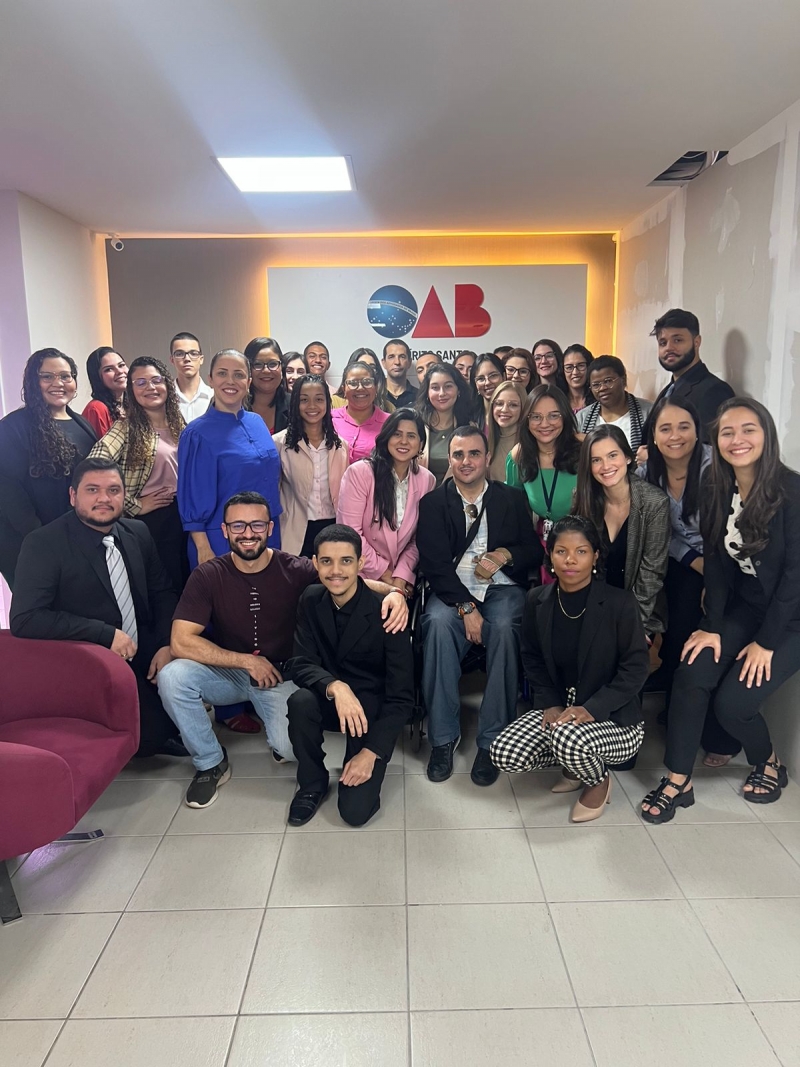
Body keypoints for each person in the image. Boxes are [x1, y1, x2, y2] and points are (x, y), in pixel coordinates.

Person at [157, 494, 408, 808]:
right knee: (173, 676)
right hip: (230, 672)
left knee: (291, 748)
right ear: (224, 530)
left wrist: (394, 593)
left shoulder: (295, 568)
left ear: (270, 528)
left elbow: (343, 578)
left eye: (257, 524)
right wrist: (246, 662)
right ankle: (210, 762)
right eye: (238, 525)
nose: (248, 533)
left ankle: (279, 741)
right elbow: (181, 641)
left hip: (281, 676)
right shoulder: (208, 574)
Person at [641, 399, 800, 822]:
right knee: (692, 671)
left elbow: (794, 578)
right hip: (745, 607)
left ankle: (768, 761)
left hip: (791, 619)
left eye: (748, 429)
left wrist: (766, 642)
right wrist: (711, 625)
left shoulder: (792, 491)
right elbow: (716, 560)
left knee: (733, 705)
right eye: (727, 432)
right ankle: (678, 780)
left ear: (766, 435)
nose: (737, 440)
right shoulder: (717, 486)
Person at [10, 458, 183, 758]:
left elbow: (162, 593)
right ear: (73, 495)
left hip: (142, 649)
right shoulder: (43, 543)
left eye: (113, 490)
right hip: (87, 658)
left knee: (177, 712)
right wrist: (103, 634)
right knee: (150, 738)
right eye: (92, 490)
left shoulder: (138, 532)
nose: (104, 498)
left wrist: (167, 644)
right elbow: (25, 619)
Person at [490, 517, 649, 822]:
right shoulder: (537, 600)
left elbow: (636, 669)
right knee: (504, 752)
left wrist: (592, 708)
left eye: (581, 551)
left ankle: (598, 780)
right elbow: (532, 658)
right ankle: (575, 764)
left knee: (568, 739)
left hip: (615, 719)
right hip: (563, 711)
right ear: (550, 555)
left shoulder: (619, 603)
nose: (570, 560)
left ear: (595, 556)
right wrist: (550, 703)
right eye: (561, 551)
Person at [417, 426, 542, 785]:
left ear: (487, 458)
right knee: (437, 625)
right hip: (453, 590)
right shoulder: (434, 503)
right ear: (450, 459)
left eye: (474, 453)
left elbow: (533, 551)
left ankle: (492, 739)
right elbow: (434, 565)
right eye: (458, 454)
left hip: (502, 589)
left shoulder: (510, 499)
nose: (466, 461)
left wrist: (506, 555)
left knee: (504, 627)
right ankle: (443, 737)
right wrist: (466, 608)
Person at [286, 524, 414, 826]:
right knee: (300, 701)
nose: (336, 571)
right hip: (332, 699)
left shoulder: (387, 611)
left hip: (371, 711)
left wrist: (371, 752)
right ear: (315, 563)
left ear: (360, 563)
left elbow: (402, 698)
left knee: (355, 813)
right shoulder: (310, 599)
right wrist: (336, 686)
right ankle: (312, 782)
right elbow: (300, 663)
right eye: (326, 561)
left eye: (346, 561)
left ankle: (362, 760)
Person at [88, 357, 188, 593]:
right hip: (152, 522)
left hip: (184, 516)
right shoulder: (126, 428)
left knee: (187, 583)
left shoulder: (180, 425)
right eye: (140, 383)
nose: (150, 387)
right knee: (164, 590)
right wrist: (134, 505)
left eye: (156, 380)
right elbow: (93, 468)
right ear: (131, 390)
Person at [0, 349, 96, 589]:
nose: (58, 383)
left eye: (65, 376)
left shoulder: (82, 425)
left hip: (78, 540)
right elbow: (9, 492)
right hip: (30, 544)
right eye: (47, 377)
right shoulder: (13, 427)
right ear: (33, 382)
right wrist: (44, 541)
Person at [177, 349, 282, 568]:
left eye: (239, 374)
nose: (230, 381)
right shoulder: (197, 434)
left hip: (266, 534)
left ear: (249, 381)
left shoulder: (256, 421)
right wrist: (202, 547)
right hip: (221, 539)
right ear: (210, 379)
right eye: (222, 373)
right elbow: (192, 497)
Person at [574, 425, 670, 639]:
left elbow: (652, 573)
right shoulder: (583, 498)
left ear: (627, 457)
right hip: (592, 603)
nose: (605, 466)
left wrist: (634, 625)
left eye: (612, 455)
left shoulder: (655, 503)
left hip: (637, 608)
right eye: (596, 460)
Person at [336, 408, 435, 595]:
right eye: (397, 434)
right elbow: (350, 534)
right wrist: (385, 574)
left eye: (411, 436)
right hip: (360, 574)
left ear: (421, 444)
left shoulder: (426, 480)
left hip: (400, 579)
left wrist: (401, 576)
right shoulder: (360, 473)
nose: (404, 441)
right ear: (386, 437)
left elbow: (418, 538)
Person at [507, 385, 581, 580]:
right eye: (536, 417)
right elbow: (512, 509)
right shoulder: (519, 456)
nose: (545, 424)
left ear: (565, 416)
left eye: (554, 415)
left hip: (582, 544)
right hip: (541, 547)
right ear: (526, 420)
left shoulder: (585, 449)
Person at [273, 374, 349, 558]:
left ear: (328, 402)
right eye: (304, 400)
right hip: (296, 531)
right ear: (295, 404)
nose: (312, 406)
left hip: (334, 528)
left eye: (319, 399)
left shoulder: (341, 446)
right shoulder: (279, 444)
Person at [649, 308, 734, 441]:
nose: (669, 348)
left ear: (696, 342)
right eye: (663, 343)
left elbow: (709, 449)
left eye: (677, 340)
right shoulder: (668, 391)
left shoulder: (714, 391)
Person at [576, 355, 653, 451]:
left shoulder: (649, 412)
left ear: (623, 380)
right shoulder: (582, 418)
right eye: (596, 385)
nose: (602, 388)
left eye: (608, 381)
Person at [416, 363, 474, 485]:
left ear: (458, 390)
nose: (442, 393)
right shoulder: (416, 425)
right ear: (427, 392)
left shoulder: (470, 428)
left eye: (448, 386)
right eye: (435, 388)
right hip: (420, 494)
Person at [330, 360, 390, 462]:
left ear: (376, 388)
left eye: (367, 382)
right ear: (344, 389)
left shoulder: (390, 423)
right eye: (353, 383)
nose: (360, 388)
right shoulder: (329, 418)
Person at [244, 337, 289, 435]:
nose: (266, 370)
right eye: (258, 364)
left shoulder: (295, 405)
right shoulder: (235, 407)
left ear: (282, 368)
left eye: (272, 364)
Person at [486, 380, 526, 483]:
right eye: (499, 404)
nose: (504, 410)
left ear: (523, 408)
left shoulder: (529, 445)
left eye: (513, 405)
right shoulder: (486, 442)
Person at [82, 347, 128, 436]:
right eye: (108, 369)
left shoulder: (132, 404)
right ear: (97, 377)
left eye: (121, 365)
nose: (119, 371)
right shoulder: (96, 409)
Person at [169, 332, 213, 422]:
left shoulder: (214, 397)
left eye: (193, 353)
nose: (187, 359)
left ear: (201, 359)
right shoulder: (165, 399)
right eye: (179, 354)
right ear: (172, 360)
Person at [470, 353, 505, 429]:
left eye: (493, 376)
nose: (487, 383)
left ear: (504, 377)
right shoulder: (470, 419)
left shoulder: (515, 413)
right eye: (481, 379)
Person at [382, 338, 418, 409]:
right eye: (391, 357)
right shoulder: (375, 395)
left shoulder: (419, 397)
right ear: (384, 363)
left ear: (409, 362)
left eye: (402, 357)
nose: (397, 362)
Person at [562, 344, 594, 412]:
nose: (575, 372)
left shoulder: (598, 399)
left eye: (581, 366)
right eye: (569, 367)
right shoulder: (558, 401)